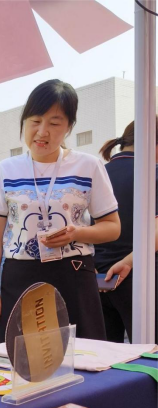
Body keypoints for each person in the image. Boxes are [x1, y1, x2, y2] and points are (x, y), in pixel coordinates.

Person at [0, 79, 121, 343]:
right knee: (21, 358)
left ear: (69, 126)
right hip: (20, 276)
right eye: (35, 121)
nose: (42, 132)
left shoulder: (88, 166)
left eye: (54, 123)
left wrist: (76, 233)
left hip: (74, 274)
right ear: (24, 122)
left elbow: (113, 228)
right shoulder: (6, 170)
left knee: (82, 355)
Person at [94, 118, 158, 343]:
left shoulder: (99, 174)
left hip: (98, 278)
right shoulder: (151, 173)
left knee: (107, 356)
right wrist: (129, 262)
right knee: (149, 354)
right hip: (141, 278)